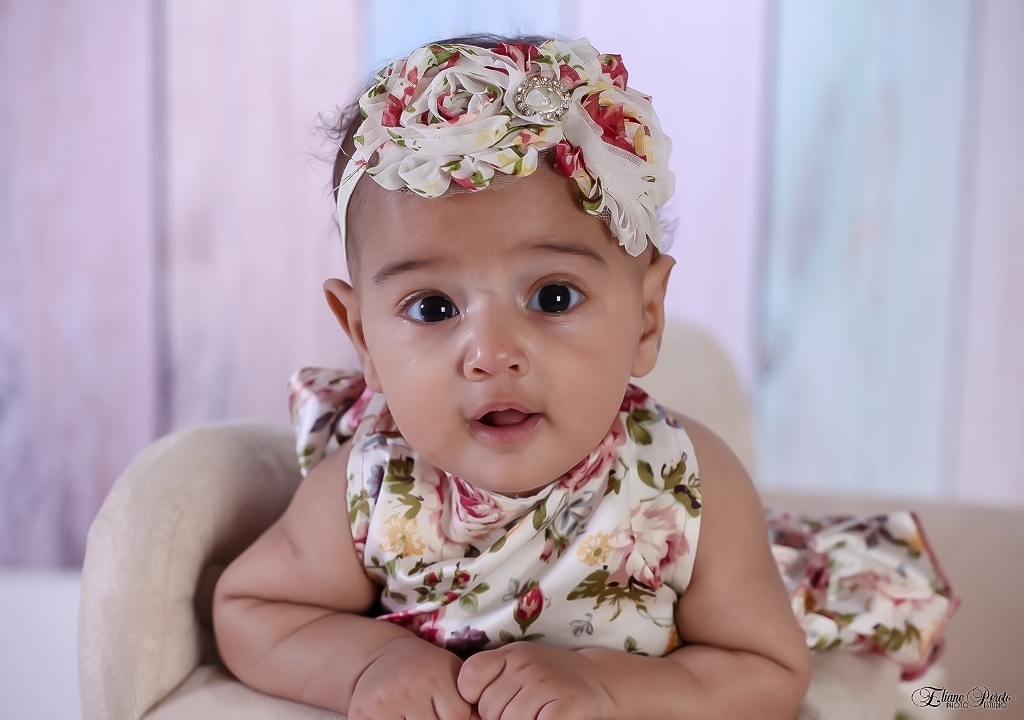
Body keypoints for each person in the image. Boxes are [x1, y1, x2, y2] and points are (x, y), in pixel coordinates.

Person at [212, 35, 956, 720]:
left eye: (553, 298)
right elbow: (253, 610)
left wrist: (605, 685)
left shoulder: (684, 487)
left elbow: (767, 669)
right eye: (433, 307)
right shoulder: (370, 487)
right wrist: (368, 663)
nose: (490, 354)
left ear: (647, 318)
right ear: (363, 339)